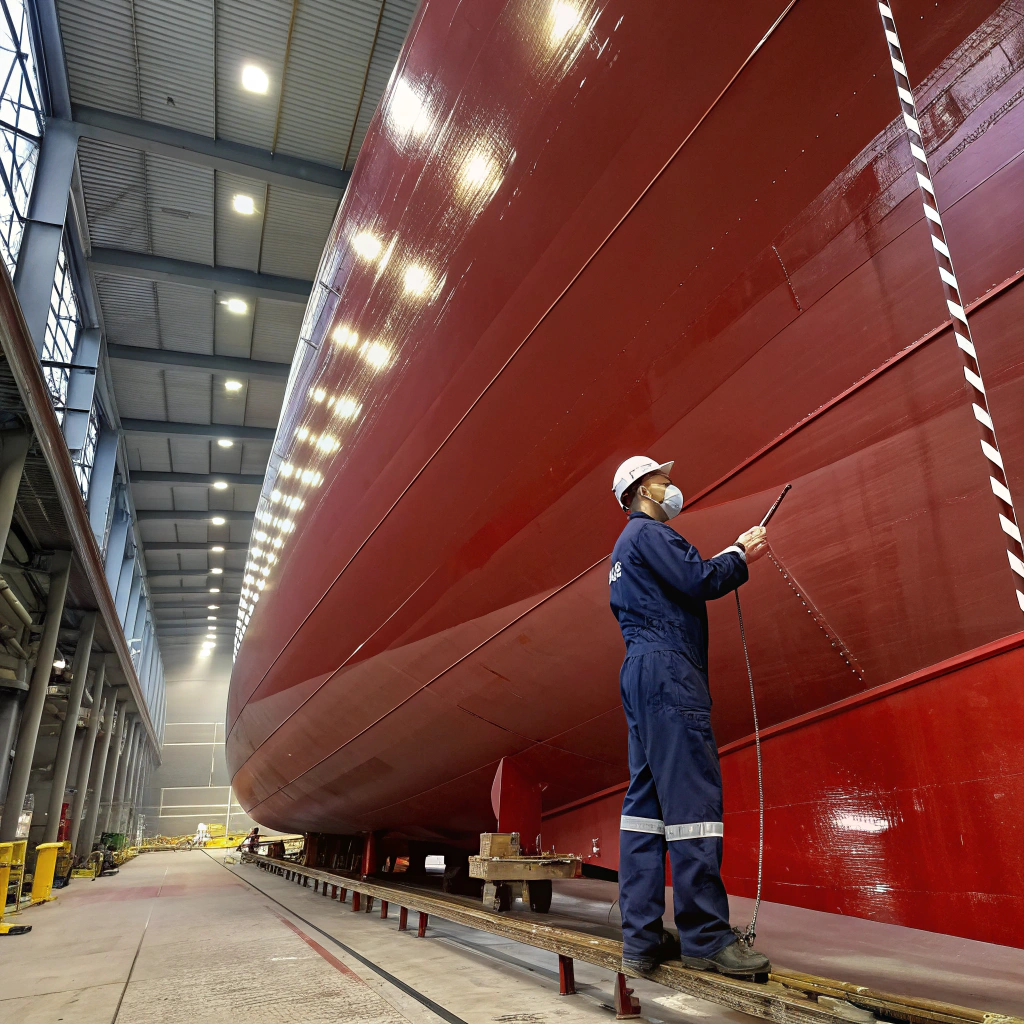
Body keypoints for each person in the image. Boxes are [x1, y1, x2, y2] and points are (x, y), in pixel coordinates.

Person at [608, 456, 771, 978]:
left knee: (645, 807)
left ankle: (642, 936)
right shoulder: (648, 533)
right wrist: (741, 555)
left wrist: (726, 553)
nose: (672, 486)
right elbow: (697, 579)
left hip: (638, 671)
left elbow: (680, 577)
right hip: (669, 671)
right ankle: (705, 937)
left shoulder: (625, 548)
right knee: (693, 803)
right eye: (663, 480)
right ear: (641, 490)